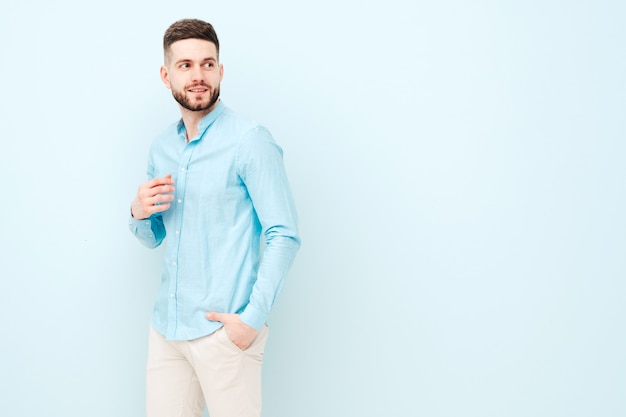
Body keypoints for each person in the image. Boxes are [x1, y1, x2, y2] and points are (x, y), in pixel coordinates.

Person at [128, 18, 300, 417]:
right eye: (185, 65)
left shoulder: (249, 140)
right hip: (167, 331)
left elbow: (284, 233)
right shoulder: (161, 148)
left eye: (208, 64)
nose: (198, 75)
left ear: (220, 70)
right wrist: (137, 213)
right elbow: (154, 236)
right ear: (166, 74)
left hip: (224, 333)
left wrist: (250, 321)